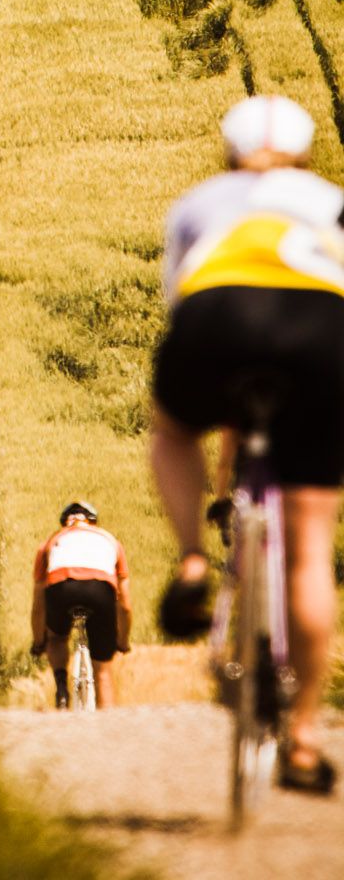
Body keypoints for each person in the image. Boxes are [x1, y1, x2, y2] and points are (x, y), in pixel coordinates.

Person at [151, 94, 344, 793]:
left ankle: (194, 565)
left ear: (228, 153)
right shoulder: (331, 201)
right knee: (311, 546)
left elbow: (181, 302)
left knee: (172, 429)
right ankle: (301, 739)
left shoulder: (199, 202)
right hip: (322, 332)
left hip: (217, 318)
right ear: (308, 152)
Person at [30, 503, 132, 710]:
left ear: (64, 524)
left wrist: (40, 641)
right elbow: (125, 605)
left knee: (57, 638)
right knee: (103, 671)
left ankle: (61, 690)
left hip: (61, 586)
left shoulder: (51, 541)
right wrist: (122, 641)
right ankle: (106, 722)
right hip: (101, 589)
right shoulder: (110, 540)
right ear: (93, 523)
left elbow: (38, 604)